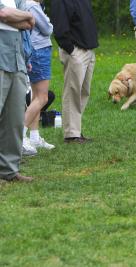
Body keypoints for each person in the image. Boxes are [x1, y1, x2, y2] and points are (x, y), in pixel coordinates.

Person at [51, 0, 98, 144]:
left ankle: (76, 130)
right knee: (72, 92)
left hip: (88, 50)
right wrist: (70, 49)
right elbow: (59, 27)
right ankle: (71, 134)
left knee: (84, 92)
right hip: (74, 51)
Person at [0, 0, 35, 182]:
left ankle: (9, 170)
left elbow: (27, 24)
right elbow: (4, 14)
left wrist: (22, 18)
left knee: (14, 119)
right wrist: (27, 16)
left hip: (17, 60)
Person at [22, 0, 54, 155]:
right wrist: (47, 21)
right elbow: (47, 29)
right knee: (43, 98)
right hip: (39, 51)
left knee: (35, 97)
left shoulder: (25, 4)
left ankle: (34, 137)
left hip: (34, 50)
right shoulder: (33, 5)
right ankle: (19, 137)